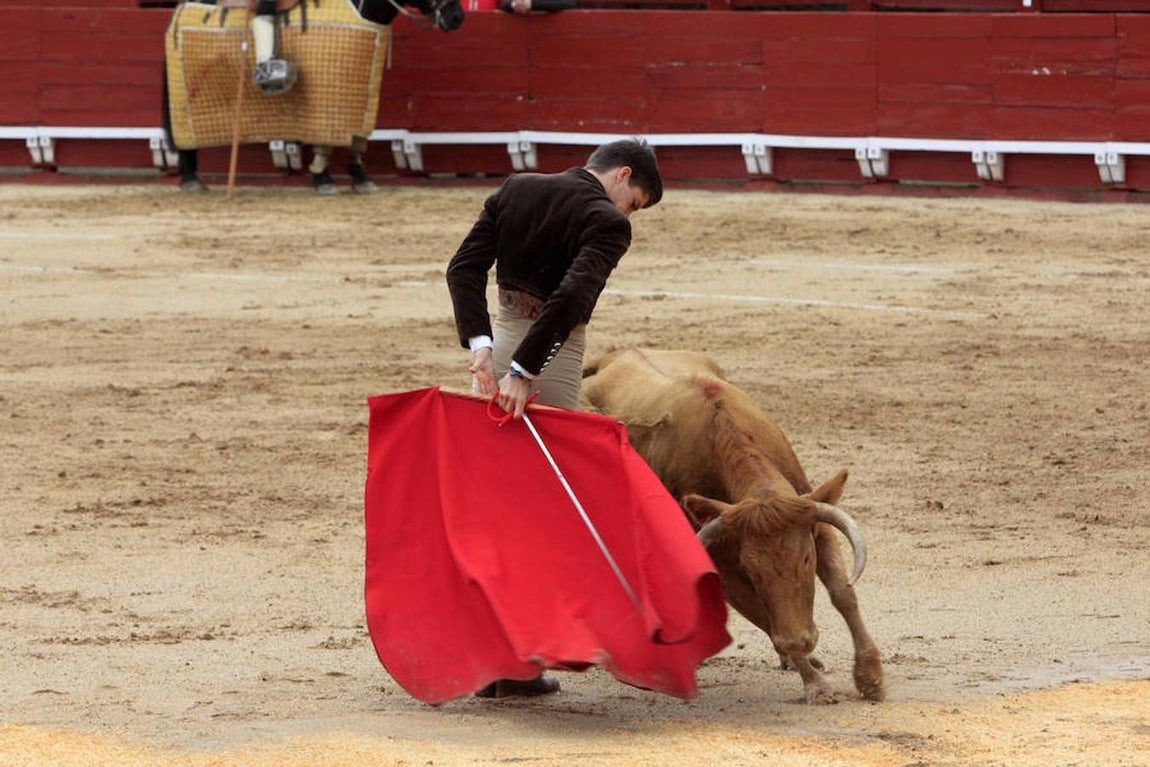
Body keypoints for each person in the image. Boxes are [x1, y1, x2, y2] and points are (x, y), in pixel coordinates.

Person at [444, 139, 662, 697]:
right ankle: (520, 657)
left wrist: (482, 345)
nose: (627, 213)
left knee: (495, 499)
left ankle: (493, 652)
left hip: (496, 352)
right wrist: (524, 370)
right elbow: (569, 300)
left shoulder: (518, 188)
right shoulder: (607, 223)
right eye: (633, 201)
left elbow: (463, 269)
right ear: (621, 176)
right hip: (552, 357)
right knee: (548, 503)